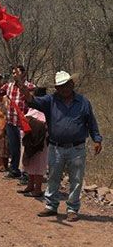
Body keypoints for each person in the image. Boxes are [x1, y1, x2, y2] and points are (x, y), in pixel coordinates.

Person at [17, 71, 102, 221]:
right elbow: (32, 101)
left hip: (77, 148)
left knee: (76, 179)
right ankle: (51, 206)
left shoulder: (83, 102)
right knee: (53, 177)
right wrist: (22, 87)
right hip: (56, 147)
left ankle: (72, 209)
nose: (64, 89)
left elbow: (91, 123)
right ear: (56, 88)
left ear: (72, 84)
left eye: (66, 85)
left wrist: (97, 139)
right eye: (60, 86)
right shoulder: (50, 101)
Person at [0, 65, 35, 179]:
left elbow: (34, 102)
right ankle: (14, 169)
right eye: (13, 73)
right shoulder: (8, 86)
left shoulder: (30, 86)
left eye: (17, 73)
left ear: (23, 73)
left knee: (25, 147)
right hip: (11, 121)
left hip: (24, 122)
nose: (15, 75)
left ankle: (26, 172)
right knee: (14, 147)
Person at [18, 87, 48, 197]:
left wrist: (30, 121)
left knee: (39, 164)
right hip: (29, 139)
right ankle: (30, 186)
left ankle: (38, 189)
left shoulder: (45, 107)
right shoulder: (32, 107)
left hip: (39, 141)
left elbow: (43, 123)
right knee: (30, 162)